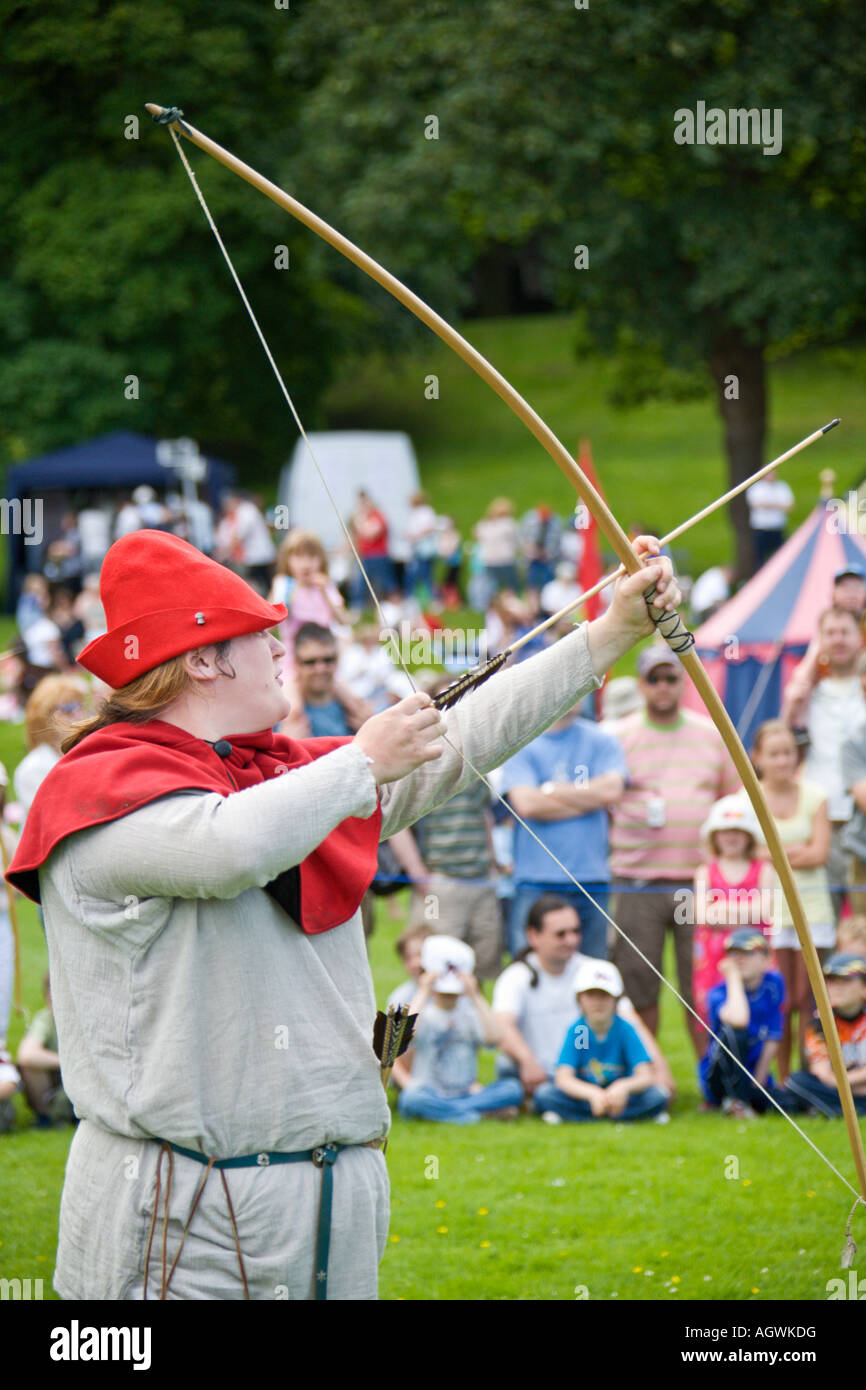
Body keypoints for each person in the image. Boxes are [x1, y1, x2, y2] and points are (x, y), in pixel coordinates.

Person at [7, 526, 679, 1300]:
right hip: (179, 1220)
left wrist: (612, 630)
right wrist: (362, 762)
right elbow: (231, 849)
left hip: (329, 1205)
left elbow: (459, 738)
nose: (282, 647)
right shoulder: (102, 796)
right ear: (200, 658)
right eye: (262, 634)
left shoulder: (283, 778)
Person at [609, 645, 740, 1051]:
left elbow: (732, 797)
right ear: (642, 684)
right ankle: (646, 1071)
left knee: (699, 980)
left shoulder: (710, 733)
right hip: (637, 880)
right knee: (636, 979)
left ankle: (709, 1075)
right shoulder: (617, 736)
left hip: (696, 881)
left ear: (684, 683)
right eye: (654, 679)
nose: (663, 686)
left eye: (671, 678)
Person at [492, 893, 673, 1103]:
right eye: (561, 934)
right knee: (505, 1064)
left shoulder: (592, 971)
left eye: (575, 931)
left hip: (586, 1073)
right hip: (541, 1072)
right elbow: (501, 1028)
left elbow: (631, 1022)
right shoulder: (516, 976)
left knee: (653, 1095)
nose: (571, 940)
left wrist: (660, 1070)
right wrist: (527, 1061)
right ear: (533, 936)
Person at [500, 701, 627, 959]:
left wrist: (553, 790)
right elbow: (526, 804)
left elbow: (613, 791)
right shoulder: (521, 743)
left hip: (590, 879)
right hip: (535, 880)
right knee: (528, 970)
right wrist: (590, 800)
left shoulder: (603, 741)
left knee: (592, 976)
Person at [782, 606, 865, 919]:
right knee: (820, 920)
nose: (838, 640)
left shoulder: (863, 691)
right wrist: (791, 707)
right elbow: (784, 749)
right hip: (821, 821)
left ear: (859, 638)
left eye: (845, 632)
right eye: (830, 633)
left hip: (861, 823)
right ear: (820, 641)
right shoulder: (808, 695)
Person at [397, 936, 522, 1123]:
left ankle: (450, 1114)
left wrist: (475, 995)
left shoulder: (470, 1012)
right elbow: (400, 1039)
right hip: (430, 1092)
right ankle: (477, 1114)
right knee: (412, 1097)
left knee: (512, 1089)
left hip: (467, 1092)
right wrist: (423, 990)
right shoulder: (423, 1011)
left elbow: (496, 1038)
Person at [533, 958, 669, 1123]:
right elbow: (564, 1077)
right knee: (545, 1094)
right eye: (590, 995)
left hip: (622, 1097)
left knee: (658, 1095)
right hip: (584, 1096)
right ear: (580, 1000)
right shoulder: (579, 1031)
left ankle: (583, 1116)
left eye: (604, 995)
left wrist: (623, 1088)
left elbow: (645, 1074)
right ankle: (618, 1115)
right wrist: (592, 1094)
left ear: (616, 1000)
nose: (598, 1002)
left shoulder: (625, 1029)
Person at [692, 797, 775, 1026]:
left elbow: (765, 910)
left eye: (738, 830)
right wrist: (747, 910)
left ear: (749, 835)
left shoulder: (763, 869)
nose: (731, 837)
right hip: (715, 958)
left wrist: (722, 908)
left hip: (754, 956)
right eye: (724, 831)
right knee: (716, 1012)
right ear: (714, 835)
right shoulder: (705, 872)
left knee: (758, 1011)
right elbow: (703, 916)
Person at [697, 929, 785, 1118]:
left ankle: (747, 1098)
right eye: (733, 954)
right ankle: (738, 1101)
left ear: (766, 959)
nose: (739, 959)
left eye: (748, 953)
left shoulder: (774, 984)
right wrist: (733, 978)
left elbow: (774, 1031)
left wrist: (760, 1079)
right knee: (736, 1032)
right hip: (719, 1078)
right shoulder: (718, 993)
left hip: (753, 1073)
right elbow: (739, 1020)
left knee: (784, 1101)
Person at [784, 952, 866, 1117]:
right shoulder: (819, 1024)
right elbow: (823, 1075)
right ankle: (850, 1110)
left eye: (846, 981)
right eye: (832, 981)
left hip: (842, 1088)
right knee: (796, 1082)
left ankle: (830, 1108)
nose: (837, 987)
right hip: (842, 1089)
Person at [280, 623, 373, 739]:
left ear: (337, 660)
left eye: (327, 660)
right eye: (310, 662)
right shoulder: (285, 716)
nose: (320, 669)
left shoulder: (355, 709)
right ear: (296, 664)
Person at [269, 530, 349, 665]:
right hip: (293, 657)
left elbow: (342, 620)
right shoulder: (284, 585)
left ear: (321, 560)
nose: (306, 564)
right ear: (287, 560)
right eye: (299, 557)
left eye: (312, 557)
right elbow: (269, 624)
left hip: (322, 654)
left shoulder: (326, 586)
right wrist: (284, 597)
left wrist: (324, 592)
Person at [17, 974, 74, 1127]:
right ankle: (47, 1117)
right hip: (60, 1078)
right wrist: (69, 1062)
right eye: (50, 996)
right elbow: (27, 1055)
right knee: (29, 1067)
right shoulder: (46, 1019)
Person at [746, 468, 794, 571]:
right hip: (761, 529)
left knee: (780, 557)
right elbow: (756, 504)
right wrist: (778, 505)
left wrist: (768, 504)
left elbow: (789, 506)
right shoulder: (756, 488)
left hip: (777, 528)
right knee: (760, 559)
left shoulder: (782, 487)